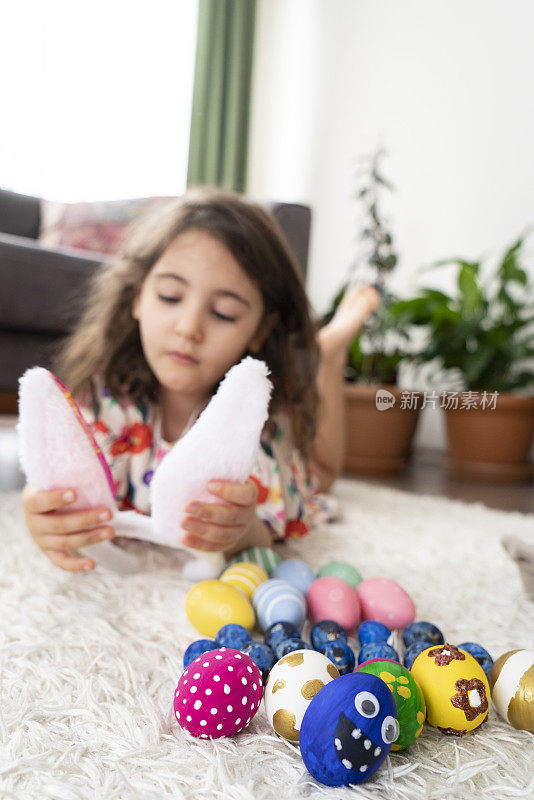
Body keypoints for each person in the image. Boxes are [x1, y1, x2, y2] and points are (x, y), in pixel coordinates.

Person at [22, 188, 379, 572]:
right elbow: (65, 475)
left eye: (224, 313)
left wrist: (240, 531)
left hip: (283, 443)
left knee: (320, 477)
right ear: (138, 297)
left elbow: (270, 524)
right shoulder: (105, 394)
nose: (188, 328)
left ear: (260, 328)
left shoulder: (252, 420)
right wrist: (46, 510)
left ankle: (329, 352)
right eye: (170, 296)